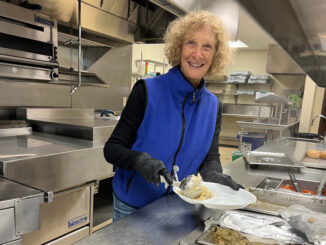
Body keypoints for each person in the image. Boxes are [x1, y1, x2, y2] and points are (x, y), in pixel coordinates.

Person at [104, 10, 243, 222]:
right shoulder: (147, 91)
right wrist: (139, 160)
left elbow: (211, 157)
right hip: (132, 206)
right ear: (179, 48)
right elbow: (112, 149)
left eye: (207, 46)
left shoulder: (214, 106)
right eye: (191, 43)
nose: (198, 54)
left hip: (177, 207)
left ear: (216, 55)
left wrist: (215, 176)